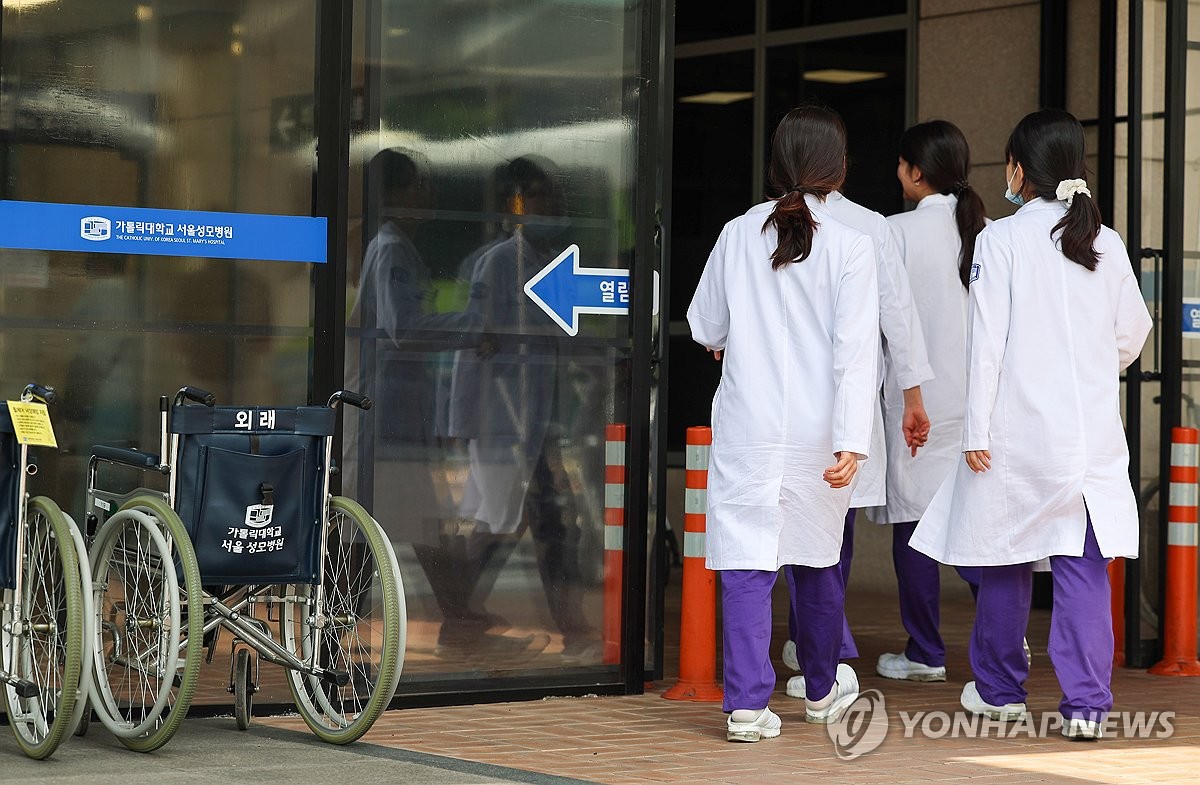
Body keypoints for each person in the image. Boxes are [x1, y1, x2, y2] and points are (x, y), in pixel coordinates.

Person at [910, 110, 1152, 741]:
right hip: (1090, 438)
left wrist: (975, 432)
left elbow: (985, 343)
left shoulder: (1002, 240)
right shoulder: (1109, 242)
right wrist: (1091, 368)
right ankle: (1087, 708)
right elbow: (1132, 336)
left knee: (1004, 562)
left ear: (1020, 169)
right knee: (1082, 569)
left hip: (1018, 436)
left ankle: (1000, 693)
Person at [688, 106, 879, 742]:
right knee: (818, 560)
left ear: (777, 164)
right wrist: (854, 440)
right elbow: (857, 352)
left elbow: (704, 324)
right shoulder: (853, 245)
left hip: (748, 425)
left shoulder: (737, 233)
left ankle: (746, 705)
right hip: (819, 432)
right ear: (839, 168)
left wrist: (731, 339)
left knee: (747, 560)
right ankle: (822, 692)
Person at [780, 122, 934, 688]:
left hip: (779, 407)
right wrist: (912, 398)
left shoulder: (754, 225)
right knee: (832, 531)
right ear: (841, 164)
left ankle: (820, 643)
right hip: (846, 405)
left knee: (792, 533)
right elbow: (899, 317)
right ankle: (822, 643)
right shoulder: (869, 225)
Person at [448, 155, 596, 662]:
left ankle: (468, 613)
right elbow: (475, 345)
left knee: (547, 522)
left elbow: (562, 339)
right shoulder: (498, 263)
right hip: (503, 420)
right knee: (510, 523)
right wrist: (461, 424)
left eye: (556, 198)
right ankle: (458, 611)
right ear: (517, 204)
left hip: (538, 419)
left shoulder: (551, 265)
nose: (550, 206)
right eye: (538, 197)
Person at [871, 120, 987, 682]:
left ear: (917, 173)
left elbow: (881, 319)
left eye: (900, 164)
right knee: (976, 523)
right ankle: (1004, 634)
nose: (897, 173)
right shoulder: (988, 232)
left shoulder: (893, 232)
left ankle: (926, 651)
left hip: (915, 400)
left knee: (916, 525)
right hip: (978, 402)